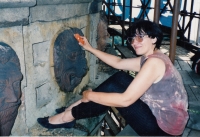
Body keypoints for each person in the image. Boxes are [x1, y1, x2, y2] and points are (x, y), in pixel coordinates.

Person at [37, 20, 189, 136]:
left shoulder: (154, 62)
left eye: (140, 38)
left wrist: (90, 95)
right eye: (132, 39)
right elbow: (119, 62)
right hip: (160, 117)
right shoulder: (153, 57)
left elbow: (125, 100)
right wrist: (89, 48)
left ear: (154, 38)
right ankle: (71, 110)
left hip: (164, 131)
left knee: (115, 88)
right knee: (120, 78)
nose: (135, 43)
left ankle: (67, 117)